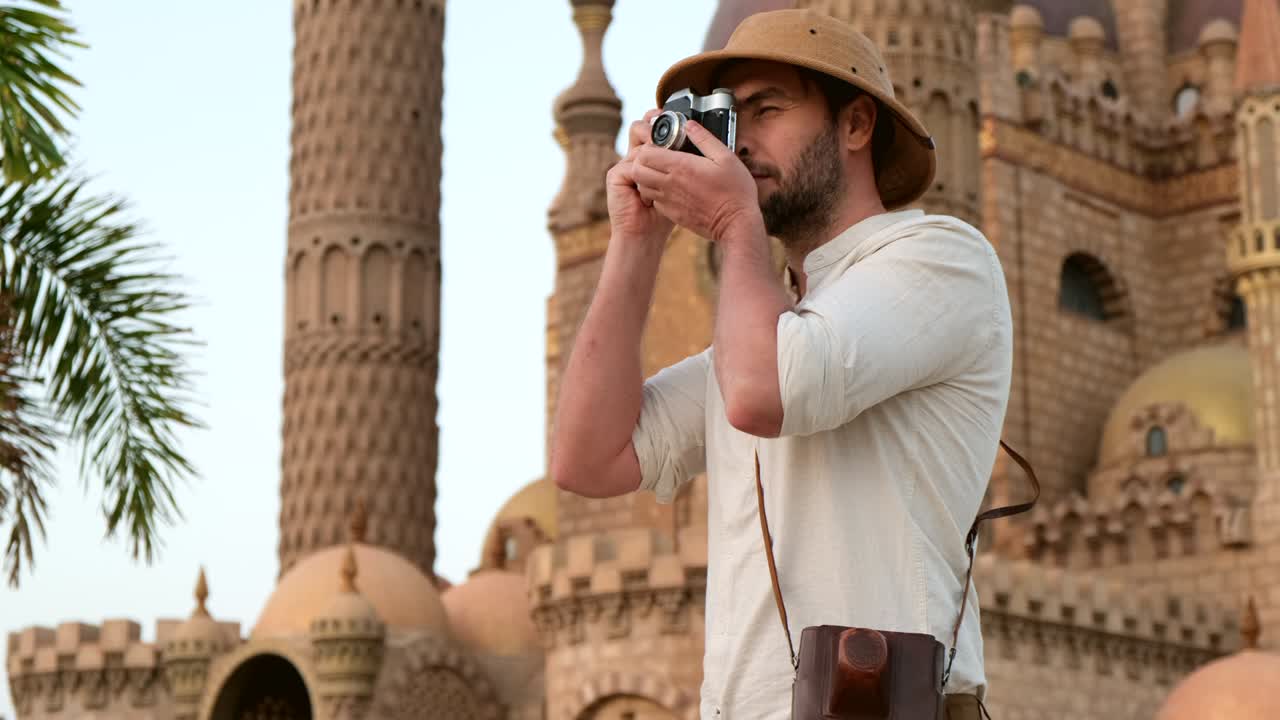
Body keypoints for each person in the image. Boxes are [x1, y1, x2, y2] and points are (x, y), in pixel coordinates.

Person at [549, 9, 1011, 719]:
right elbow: (587, 458)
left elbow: (764, 394)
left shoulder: (944, 261)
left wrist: (735, 226)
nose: (741, 143)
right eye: (731, 117)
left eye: (767, 109)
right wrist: (637, 240)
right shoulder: (771, 328)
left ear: (856, 126)